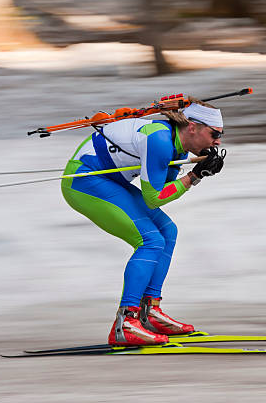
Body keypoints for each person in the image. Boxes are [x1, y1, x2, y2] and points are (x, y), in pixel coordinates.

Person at [60, 98, 226, 346]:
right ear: (193, 127)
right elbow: (154, 198)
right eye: (214, 134)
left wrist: (194, 172)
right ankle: (126, 323)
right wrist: (194, 176)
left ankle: (150, 312)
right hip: (84, 181)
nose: (218, 142)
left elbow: (163, 188)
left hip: (111, 182)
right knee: (150, 241)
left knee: (167, 232)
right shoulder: (160, 140)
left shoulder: (177, 145)